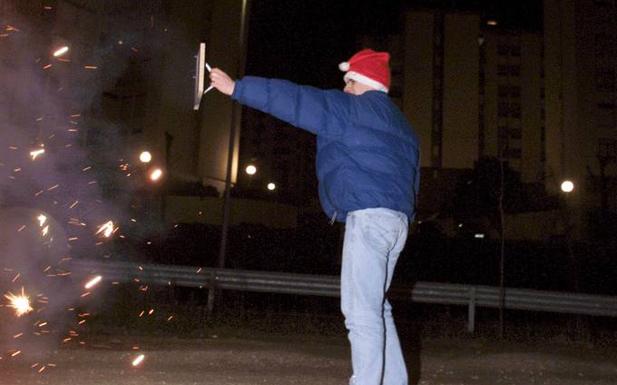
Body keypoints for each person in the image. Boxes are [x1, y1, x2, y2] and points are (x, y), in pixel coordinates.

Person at [209, 48, 420, 385]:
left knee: (361, 314)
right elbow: (413, 179)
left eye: (349, 81)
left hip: (368, 218)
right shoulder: (402, 125)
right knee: (378, 308)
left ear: (363, 81)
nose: (345, 87)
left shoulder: (348, 109)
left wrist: (237, 88)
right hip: (398, 223)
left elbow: (294, 100)